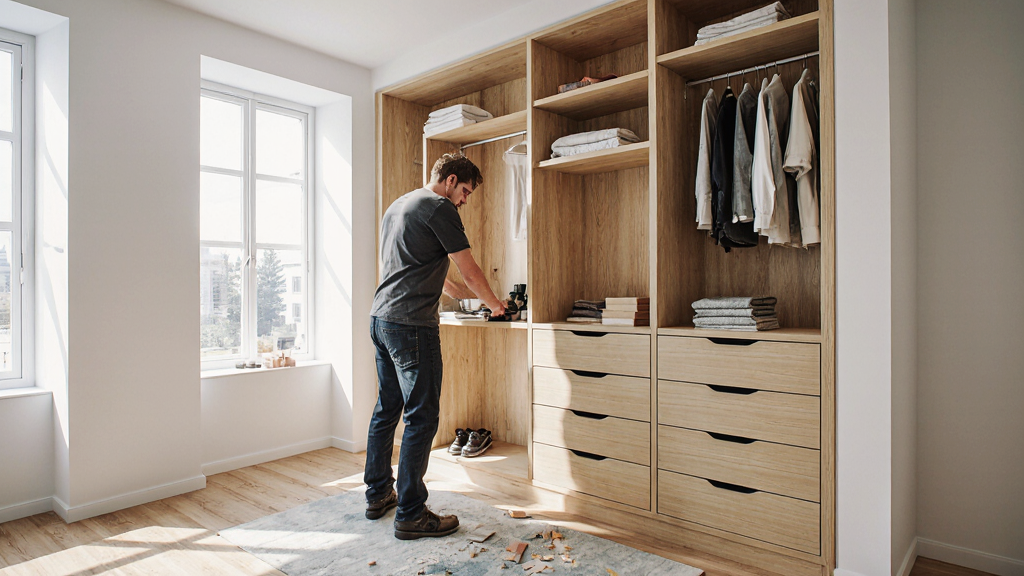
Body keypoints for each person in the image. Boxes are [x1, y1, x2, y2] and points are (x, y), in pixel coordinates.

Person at [364, 152, 507, 540]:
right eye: (465, 192)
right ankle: (411, 512)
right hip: (411, 326)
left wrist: (472, 300)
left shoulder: (400, 205)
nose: (464, 201)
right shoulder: (440, 206)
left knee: (387, 408)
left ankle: (378, 495)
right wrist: (496, 304)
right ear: (450, 180)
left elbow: (442, 279)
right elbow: (468, 267)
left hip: (381, 319)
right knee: (422, 416)